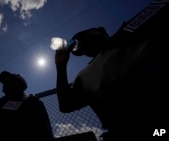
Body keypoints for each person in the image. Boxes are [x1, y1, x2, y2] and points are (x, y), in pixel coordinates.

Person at [54, 1, 169, 140]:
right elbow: (66, 104)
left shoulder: (130, 29)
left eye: (84, 36)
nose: (81, 43)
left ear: (100, 31)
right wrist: (61, 68)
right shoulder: (84, 76)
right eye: (78, 47)